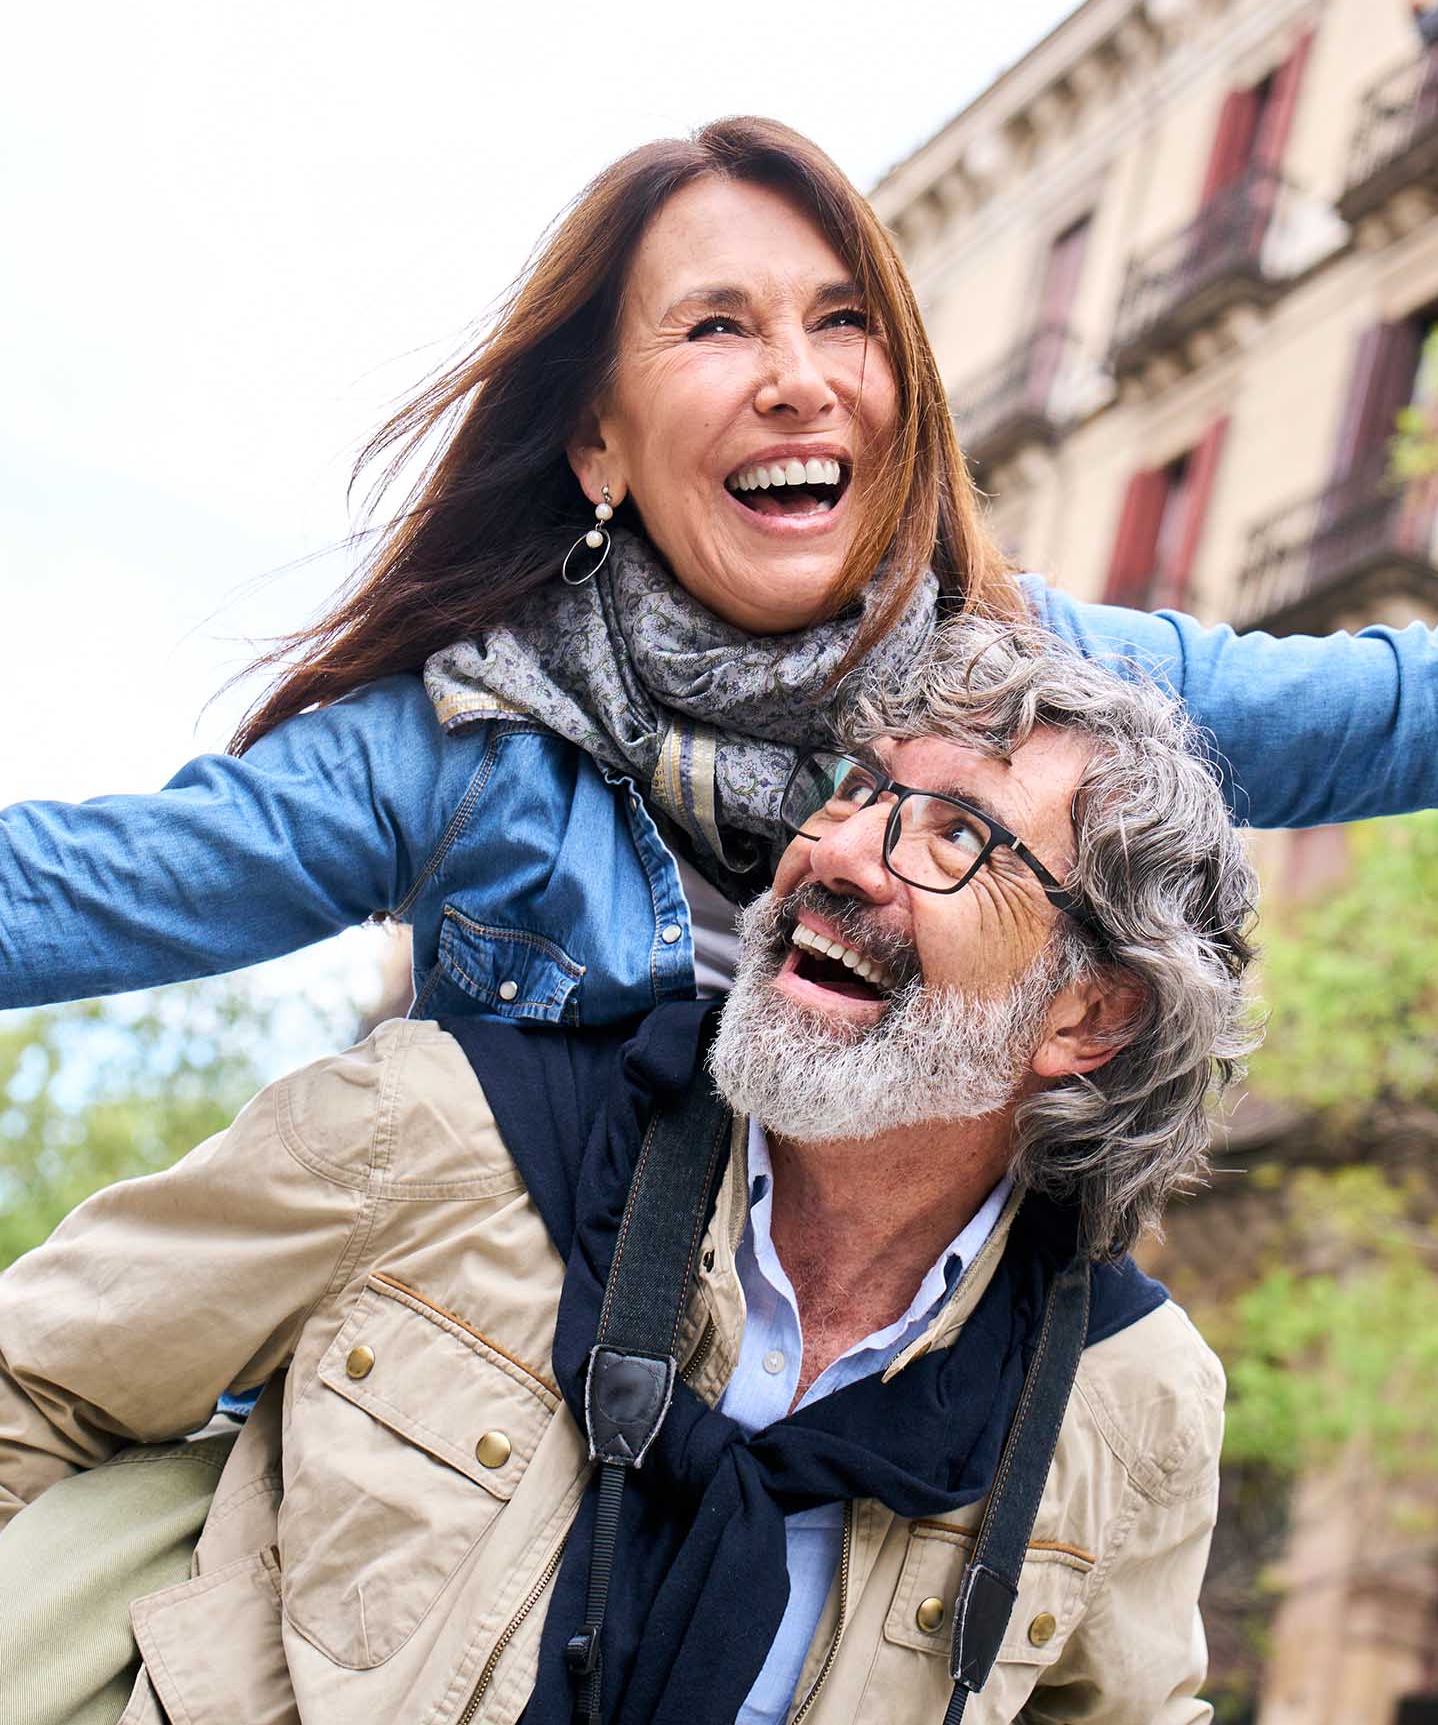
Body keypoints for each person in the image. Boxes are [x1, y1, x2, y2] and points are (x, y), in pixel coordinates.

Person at [0, 626, 1256, 1725]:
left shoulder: (1128, 1398)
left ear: (1088, 1018)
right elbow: (29, 1392)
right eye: (857, 792)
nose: (843, 854)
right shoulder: (434, 1131)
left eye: (954, 837)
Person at [1, 117, 1438, 1035]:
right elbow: (88, 886)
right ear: (599, 439)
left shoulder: (1056, 690)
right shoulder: (467, 751)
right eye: (715, 328)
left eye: (844, 322)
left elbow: (1418, 708)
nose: (798, 380)